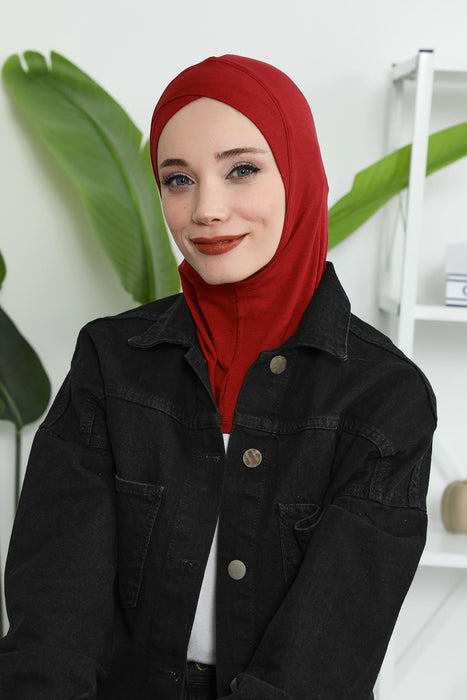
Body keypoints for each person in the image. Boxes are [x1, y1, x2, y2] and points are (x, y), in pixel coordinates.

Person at [0, 55, 436, 700]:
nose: (206, 209)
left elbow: (320, 664)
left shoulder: (384, 397)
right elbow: (54, 621)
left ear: (298, 174)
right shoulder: (110, 359)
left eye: (241, 170)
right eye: (178, 179)